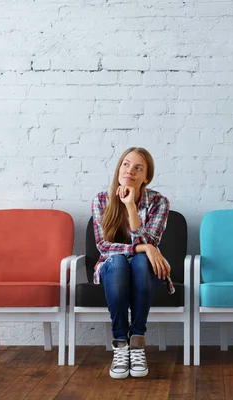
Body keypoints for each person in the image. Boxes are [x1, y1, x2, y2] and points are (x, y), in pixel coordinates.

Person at [92, 147, 171, 379]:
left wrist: (130, 207)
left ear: (146, 176)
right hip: (111, 268)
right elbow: (104, 247)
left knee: (139, 262)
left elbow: (151, 243)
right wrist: (144, 247)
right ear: (119, 168)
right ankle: (120, 344)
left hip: (144, 270)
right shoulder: (101, 200)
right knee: (117, 262)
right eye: (126, 164)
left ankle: (136, 343)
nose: (130, 171)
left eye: (138, 168)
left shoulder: (159, 202)